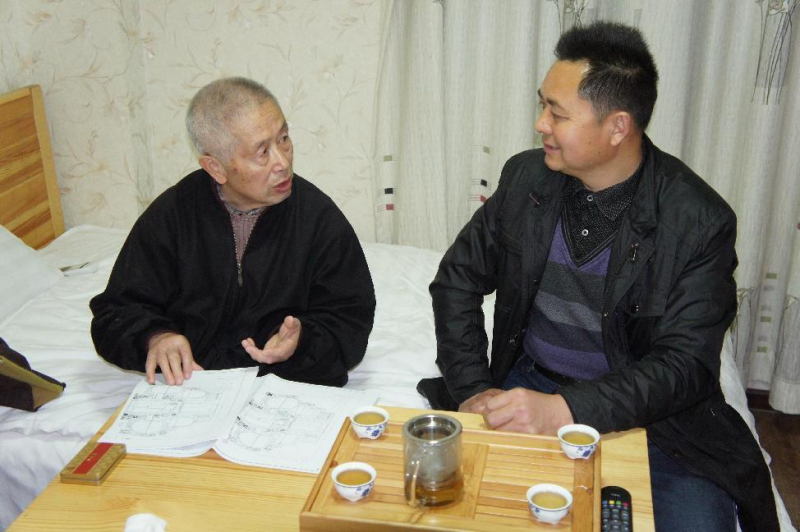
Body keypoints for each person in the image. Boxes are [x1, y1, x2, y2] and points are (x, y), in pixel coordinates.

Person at [418, 21, 778, 531]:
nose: (541, 124)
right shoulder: (526, 179)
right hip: (532, 385)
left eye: (557, 113)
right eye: (542, 105)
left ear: (617, 127)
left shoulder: (697, 221)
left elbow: (685, 366)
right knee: (457, 509)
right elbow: (456, 280)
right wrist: (474, 388)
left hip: (658, 421)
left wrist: (566, 409)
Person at [91, 77, 375, 389]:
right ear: (215, 168)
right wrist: (156, 337)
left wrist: (302, 341)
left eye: (283, 139)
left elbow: (350, 319)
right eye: (262, 152)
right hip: (190, 388)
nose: (283, 162)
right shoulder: (173, 215)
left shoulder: (318, 218)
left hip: (283, 388)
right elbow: (115, 314)